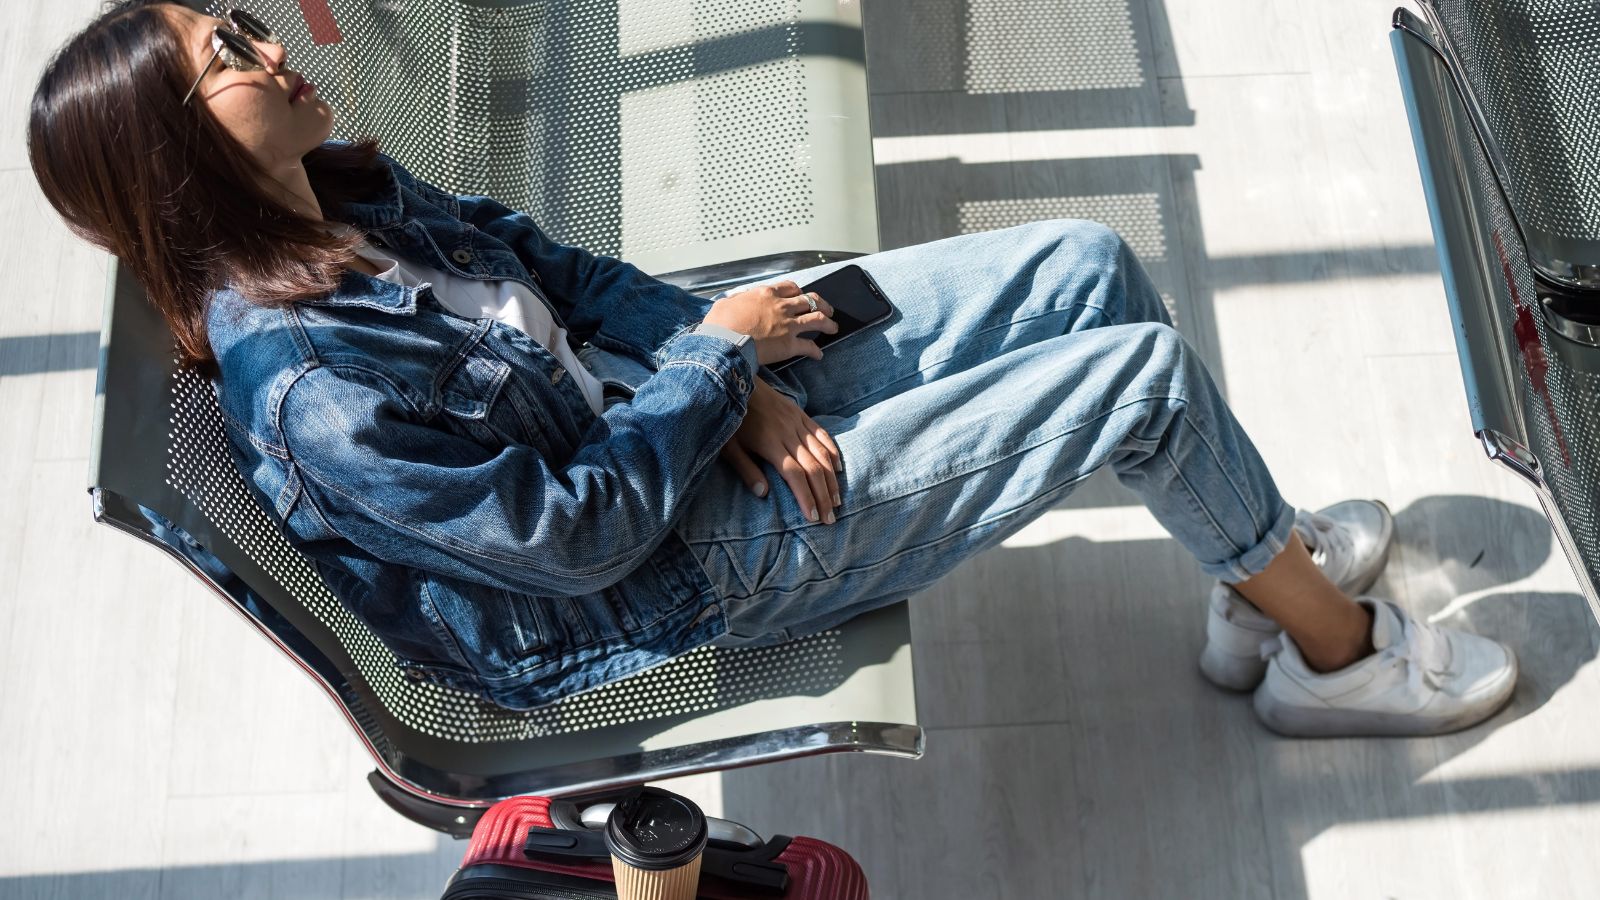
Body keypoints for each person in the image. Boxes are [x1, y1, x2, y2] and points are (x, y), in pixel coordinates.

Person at [28, 0, 1517, 736]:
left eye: (235, 18)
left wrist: (712, 360)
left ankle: (1255, 587)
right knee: (1135, 378)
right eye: (222, 51)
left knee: (1081, 264)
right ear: (174, 147)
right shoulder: (310, 385)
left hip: (674, 419)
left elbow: (555, 265)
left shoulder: (349, 201)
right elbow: (576, 538)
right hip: (669, 569)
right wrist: (715, 383)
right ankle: (1330, 657)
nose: (262, 40)